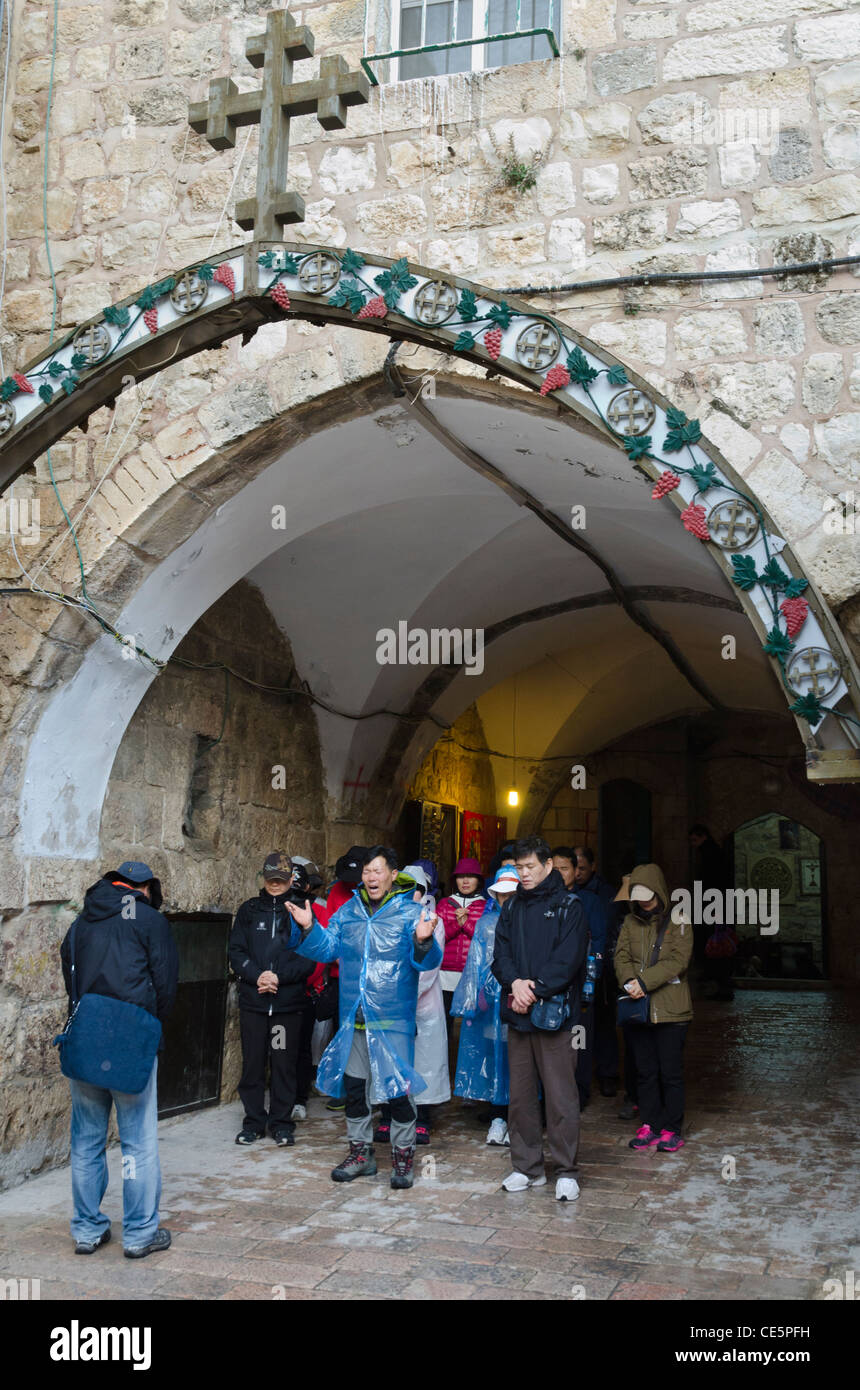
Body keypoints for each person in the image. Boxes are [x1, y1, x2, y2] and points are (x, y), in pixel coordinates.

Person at [287, 847, 442, 1190]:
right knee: (355, 1090)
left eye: (377, 871)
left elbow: (427, 963)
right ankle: (362, 1154)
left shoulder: (409, 912)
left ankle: (403, 1159)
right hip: (353, 1017)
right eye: (367, 872)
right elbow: (328, 949)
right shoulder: (349, 911)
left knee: (399, 1093)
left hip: (392, 1019)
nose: (371, 878)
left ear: (392, 874)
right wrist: (311, 926)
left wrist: (423, 941)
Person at [59, 860, 178, 1259]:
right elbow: (166, 986)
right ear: (144, 889)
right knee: (138, 1142)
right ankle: (140, 1234)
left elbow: (70, 979)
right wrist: (147, 1025)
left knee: (87, 1139)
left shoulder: (81, 922)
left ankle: (87, 1230)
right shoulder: (148, 920)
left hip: (86, 1038)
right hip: (130, 1039)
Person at [491, 836, 588, 1201]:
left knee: (561, 1096)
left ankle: (566, 1169)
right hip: (519, 1015)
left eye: (530, 867)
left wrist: (534, 988)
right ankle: (527, 1167)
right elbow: (500, 953)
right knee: (520, 1097)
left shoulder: (569, 906)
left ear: (548, 865)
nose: (524, 874)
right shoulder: (512, 906)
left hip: (555, 1017)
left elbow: (569, 959)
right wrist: (515, 983)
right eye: (519, 867)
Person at [228, 853, 316, 1148]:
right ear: (262, 878)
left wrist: (279, 978)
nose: (275, 884)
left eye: (281, 879)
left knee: (282, 1064)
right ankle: (253, 1122)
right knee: (252, 1064)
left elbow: (310, 957)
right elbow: (236, 952)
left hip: (285, 1007)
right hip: (255, 1003)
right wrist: (258, 976)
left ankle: (280, 1123)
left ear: (292, 879)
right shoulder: (249, 911)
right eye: (270, 879)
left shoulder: (303, 911)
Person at [613, 863, 693, 1153]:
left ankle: (672, 1127)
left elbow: (678, 961)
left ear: (660, 891)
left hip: (671, 1011)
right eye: (639, 894)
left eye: (649, 893)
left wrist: (643, 982)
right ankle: (650, 1123)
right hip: (638, 1008)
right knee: (645, 1070)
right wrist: (628, 981)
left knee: (669, 1071)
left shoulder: (679, 918)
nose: (644, 900)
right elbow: (621, 956)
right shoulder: (630, 923)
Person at [374, 864, 449, 1146]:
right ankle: (387, 1115)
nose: (411, 896)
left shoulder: (431, 919)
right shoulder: (386, 920)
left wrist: (403, 994)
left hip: (421, 1005)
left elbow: (428, 967)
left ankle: (423, 1117)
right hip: (392, 1006)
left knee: (423, 1062)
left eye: (416, 891)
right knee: (390, 1062)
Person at [451, 866, 519, 1145]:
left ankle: (517, 1116)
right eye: (502, 894)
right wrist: (473, 996)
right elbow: (475, 963)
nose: (506, 899)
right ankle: (498, 1114)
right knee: (495, 1057)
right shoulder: (486, 922)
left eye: (511, 893)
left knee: (519, 1059)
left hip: (519, 1000)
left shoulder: (531, 921)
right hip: (491, 1004)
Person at [313, 847, 369, 1110]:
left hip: (368, 979)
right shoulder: (336, 892)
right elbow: (330, 930)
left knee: (368, 1035)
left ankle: (369, 1091)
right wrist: (338, 957)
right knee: (342, 1033)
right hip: (339, 977)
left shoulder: (376, 894)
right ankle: (344, 1089)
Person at [287, 859, 327, 1121]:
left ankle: (299, 1098)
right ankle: (283, 1095)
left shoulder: (319, 911)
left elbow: (320, 952)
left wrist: (307, 981)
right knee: (281, 1047)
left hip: (306, 990)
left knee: (301, 1047)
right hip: (281, 988)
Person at [436, 857, 487, 1021]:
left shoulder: (486, 906)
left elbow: (487, 941)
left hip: (473, 975)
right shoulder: (444, 904)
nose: (465, 881)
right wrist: (458, 924)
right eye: (460, 876)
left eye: (470, 876)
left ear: (478, 880)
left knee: (471, 1025)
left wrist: (466, 923)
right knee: (444, 1023)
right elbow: (437, 937)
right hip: (443, 976)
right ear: (455, 880)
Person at [689, 824, 732, 997]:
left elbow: (711, 882)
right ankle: (720, 984)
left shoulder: (709, 855)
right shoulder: (714, 853)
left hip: (712, 905)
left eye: (694, 840)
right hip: (716, 904)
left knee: (714, 945)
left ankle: (719, 985)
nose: (693, 844)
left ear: (703, 837)